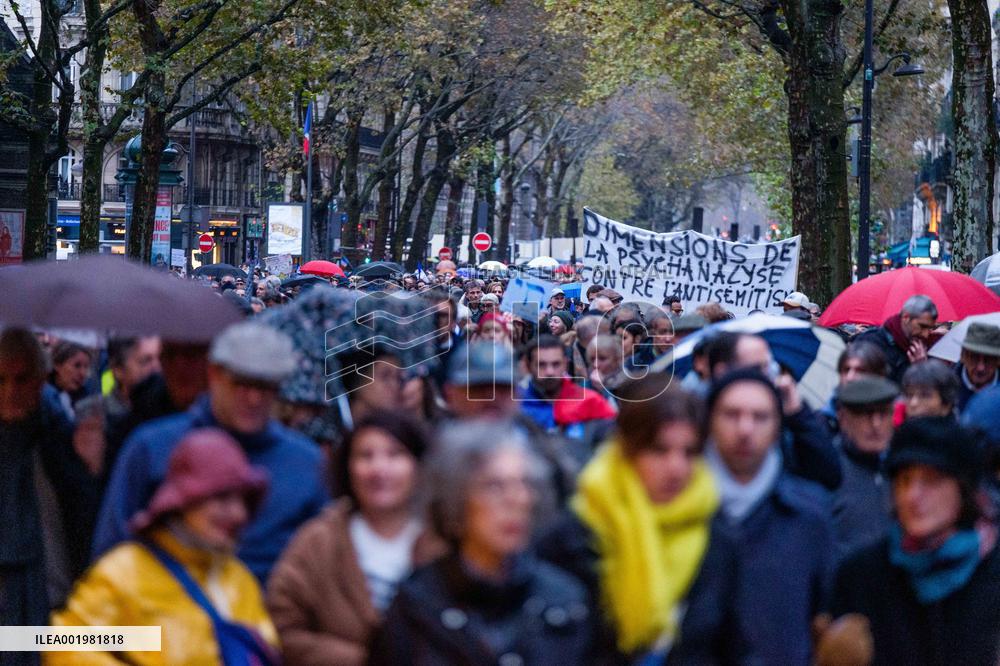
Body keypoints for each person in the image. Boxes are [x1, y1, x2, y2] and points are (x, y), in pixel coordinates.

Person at [93, 322, 328, 582]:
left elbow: (323, 574)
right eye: (241, 384)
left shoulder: (307, 464)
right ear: (215, 375)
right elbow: (111, 556)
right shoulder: (151, 447)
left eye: (264, 387)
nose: (252, 398)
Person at [538, 377, 740, 663]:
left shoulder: (718, 539)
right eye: (659, 450)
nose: (676, 467)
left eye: (689, 452)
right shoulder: (573, 538)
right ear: (628, 449)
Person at [367, 422, 596, 664]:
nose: (516, 500)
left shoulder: (564, 600)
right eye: (494, 486)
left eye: (524, 484)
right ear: (456, 497)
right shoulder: (416, 604)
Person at [50, 429, 279, 665]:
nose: (238, 513)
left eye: (243, 500)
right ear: (184, 501)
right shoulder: (126, 571)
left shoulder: (239, 578)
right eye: (222, 499)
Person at [267, 413, 445, 666]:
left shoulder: (444, 540)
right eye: (365, 456)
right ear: (347, 467)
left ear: (418, 464)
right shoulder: (319, 540)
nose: (379, 469)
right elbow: (279, 627)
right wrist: (362, 661)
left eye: (395, 454)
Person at [829, 416, 1000, 665]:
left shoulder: (992, 574)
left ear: (964, 489)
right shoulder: (862, 575)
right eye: (904, 480)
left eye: (931, 480)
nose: (913, 496)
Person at [703, 369, 834, 665]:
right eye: (732, 415)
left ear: (777, 426)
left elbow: (824, 612)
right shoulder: (682, 509)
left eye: (760, 416)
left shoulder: (808, 514)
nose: (745, 428)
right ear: (710, 421)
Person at [0, 329, 101, 642]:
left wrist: (91, 468)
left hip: (56, 599)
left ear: (41, 380)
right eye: (1, 380)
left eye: (21, 379)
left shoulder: (60, 437)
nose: (10, 392)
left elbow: (84, 521)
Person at [707, 332, 842, 490]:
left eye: (769, 366)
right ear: (722, 371)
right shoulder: (690, 426)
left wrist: (797, 413)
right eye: (758, 368)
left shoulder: (785, 421)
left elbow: (830, 474)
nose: (769, 375)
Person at [831, 375, 898, 560]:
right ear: (843, 418)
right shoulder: (827, 471)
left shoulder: (899, 470)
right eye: (865, 414)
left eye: (883, 413)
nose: (876, 425)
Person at [519, 335, 616, 444]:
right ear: (528, 366)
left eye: (556, 364)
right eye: (541, 365)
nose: (550, 372)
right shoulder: (514, 405)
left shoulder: (590, 401)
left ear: (565, 364)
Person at [854, 295, 938, 384]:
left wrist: (922, 368)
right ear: (906, 317)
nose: (925, 334)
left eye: (929, 328)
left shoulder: (923, 348)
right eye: (922, 326)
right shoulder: (871, 342)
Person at [104, 336, 162, 421]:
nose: (158, 368)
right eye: (145, 361)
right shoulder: (91, 414)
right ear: (118, 369)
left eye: (161, 359)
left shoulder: (174, 410)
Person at [954, 322, 1000, 412]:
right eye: (974, 358)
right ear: (962, 356)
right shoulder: (944, 390)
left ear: (999, 360)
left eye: (989, 359)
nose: (981, 368)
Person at [48, 339, 93, 419]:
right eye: (77, 365)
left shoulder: (87, 399)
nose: (83, 373)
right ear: (57, 365)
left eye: (86, 367)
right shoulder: (41, 398)